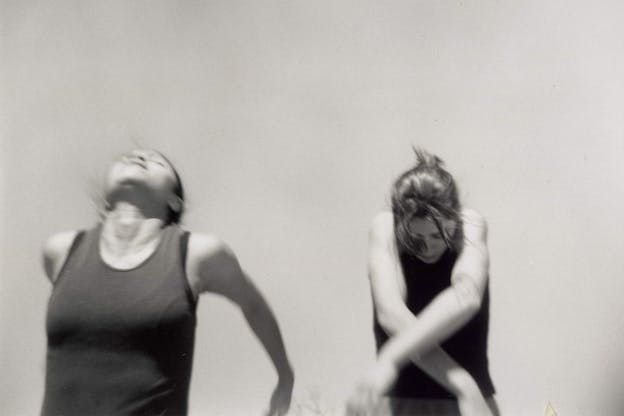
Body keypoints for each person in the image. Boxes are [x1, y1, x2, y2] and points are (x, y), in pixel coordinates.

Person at [40, 148, 294, 416]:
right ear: (104, 198)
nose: (138, 158)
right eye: (127, 157)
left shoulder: (197, 254)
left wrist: (285, 376)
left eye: (156, 161)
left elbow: (253, 304)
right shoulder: (61, 251)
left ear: (174, 201)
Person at [346, 149, 498, 416]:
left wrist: (391, 359)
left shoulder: (472, 224)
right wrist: (461, 382)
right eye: (416, 239)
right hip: (401, 402)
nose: (427, 248)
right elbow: (391, 314)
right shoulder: (385, 227)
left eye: (438, 236)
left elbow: (467, 296)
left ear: (454, 218)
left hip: (469, 406)